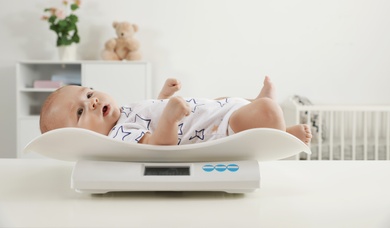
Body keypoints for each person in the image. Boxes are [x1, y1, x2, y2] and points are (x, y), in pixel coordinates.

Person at [39, 76, 312, 145]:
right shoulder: (119, 135)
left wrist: (164, 98)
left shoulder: (125, 113)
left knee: (222, 99)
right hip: (221, 129)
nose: (92, 101)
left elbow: (151, 113)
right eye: (79, 112)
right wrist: (170, 117)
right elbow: (158, 144)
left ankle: (253, 102)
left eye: (88, 93)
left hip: (213, 112)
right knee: (267, 111)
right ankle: (280, 131)